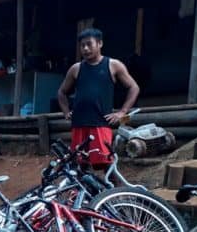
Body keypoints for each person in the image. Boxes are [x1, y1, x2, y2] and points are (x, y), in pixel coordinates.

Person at [57, 28, 139, 169]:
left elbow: (134, 87)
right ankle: (82, 192)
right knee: (79, 164)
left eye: (89, 44)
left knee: (105, 163)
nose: (85, 49)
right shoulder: (76, 69)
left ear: (100, 43)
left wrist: (122, 112)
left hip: (101, 123)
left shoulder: (113, 65)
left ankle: (114, 190)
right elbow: (61, 92)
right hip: (79, 124)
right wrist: (66, 111)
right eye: (82, 45)